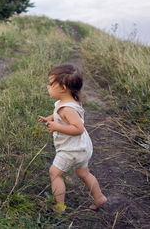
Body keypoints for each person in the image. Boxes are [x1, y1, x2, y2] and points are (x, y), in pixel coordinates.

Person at [38, 63, 107, 213]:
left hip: (71, 150)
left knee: (54, 173)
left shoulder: (67, 109)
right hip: (81, 148)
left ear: (63, 88)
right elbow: (59, 114)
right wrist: (49, 118)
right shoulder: (68, 102)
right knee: (83, 173)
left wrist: (57, 127)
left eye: (51, 84)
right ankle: (99, 197)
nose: (48, 86)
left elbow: (78, 128)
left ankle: (60, 207)